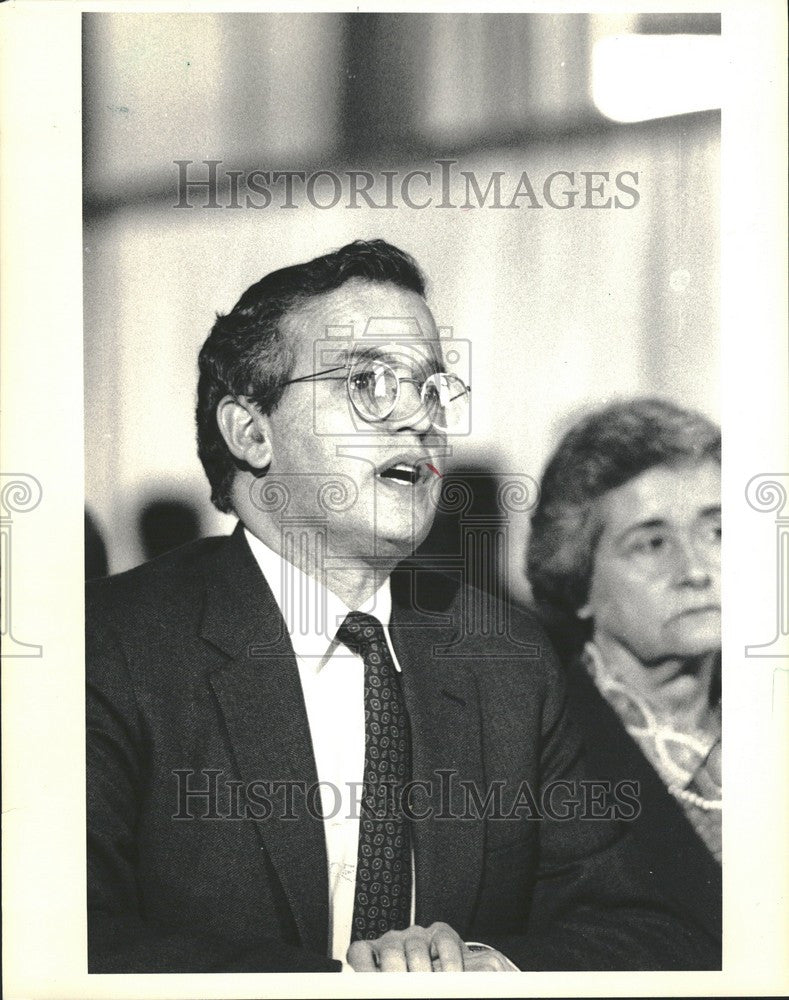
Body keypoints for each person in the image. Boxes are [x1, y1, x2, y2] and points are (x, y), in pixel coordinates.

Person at [87, 241, 717, 974]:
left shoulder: (505, 658)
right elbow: (71, 945)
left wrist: (487, 967)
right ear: (251, 433)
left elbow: (652, 925)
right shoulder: (111, 649)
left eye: (429, 388)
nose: (417, 419)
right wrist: (356, 989)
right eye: (368, 382)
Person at [527, 397, 722, 954]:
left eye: (716, 532)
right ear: (577, 579)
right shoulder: (538, 741)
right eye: (652, 543)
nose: (694, 571)